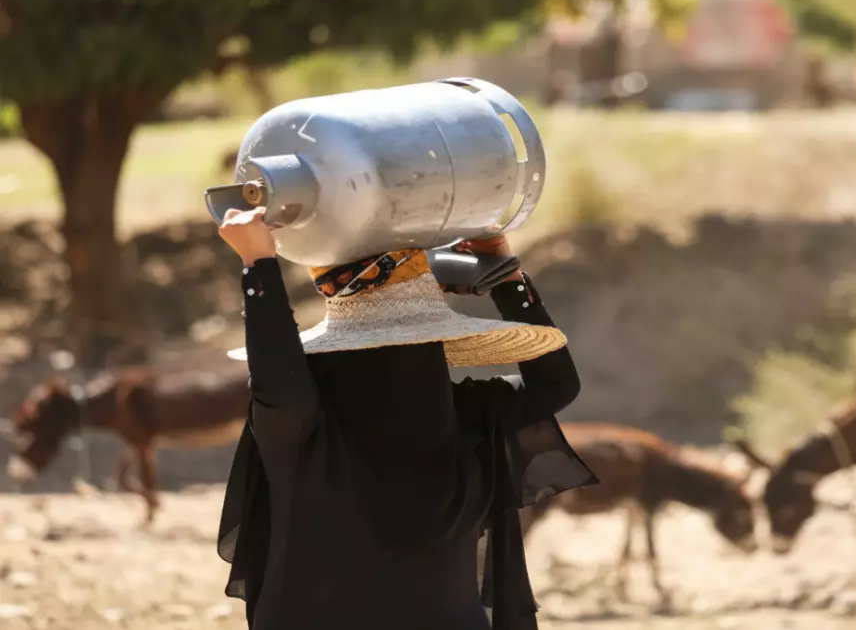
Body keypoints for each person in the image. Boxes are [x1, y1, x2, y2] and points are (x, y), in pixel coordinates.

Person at [215, 206, 598, 630]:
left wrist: (259, 267)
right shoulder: (462, 422)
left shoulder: (308, 433)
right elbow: (554, 385)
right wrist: (507, 282)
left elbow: (279, 379)